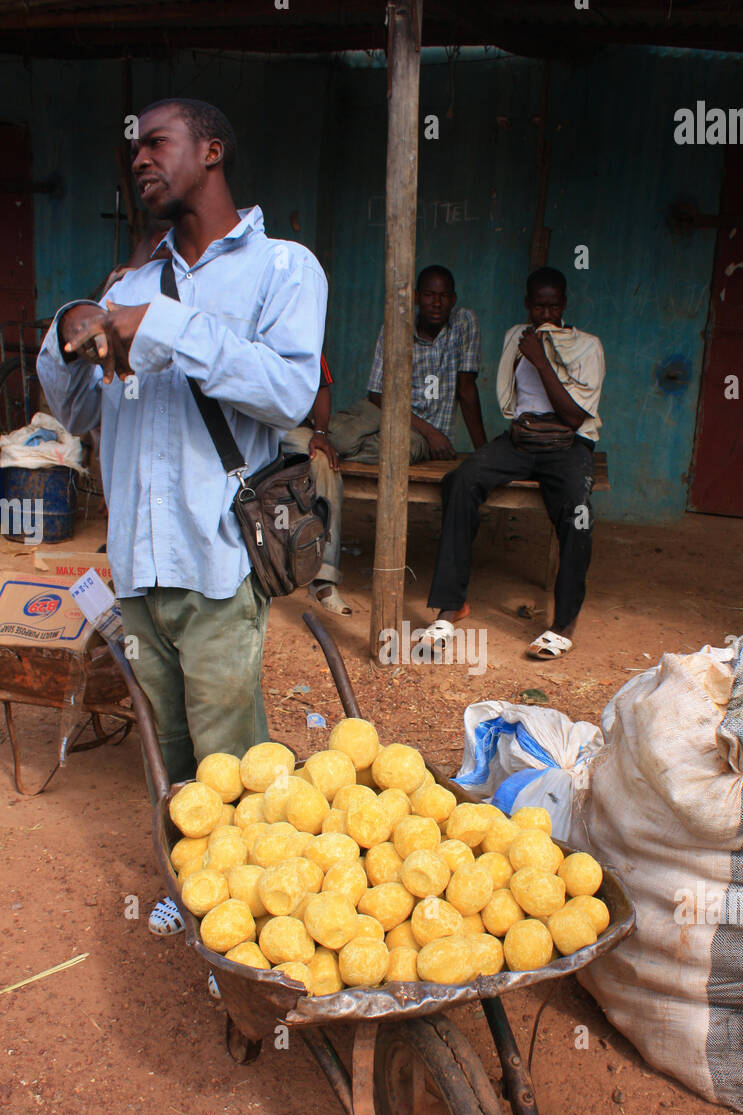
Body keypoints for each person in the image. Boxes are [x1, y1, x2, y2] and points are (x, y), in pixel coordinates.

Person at [37, 97, 327, 934]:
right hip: (137, 561)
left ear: (211, 150)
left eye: (156, 144)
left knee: (230, 752)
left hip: (217, 556)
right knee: (167, 748)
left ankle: (251, 909)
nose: (140, 160)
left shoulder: (284, 269)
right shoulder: (127, 282)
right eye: (134, 151)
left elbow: (288, 392)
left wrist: (163, 328)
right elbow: (82, 415)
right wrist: (70, 328)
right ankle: (191, 883)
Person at [424, 266, 604, 660]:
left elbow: (575, 418)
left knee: (578, 513)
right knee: (461, 480)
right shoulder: (515, 338)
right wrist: (530, 352)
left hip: (568, 444)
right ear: (527, 305)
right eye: (539, 305)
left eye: (553, 305)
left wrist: (541, 361)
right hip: (523, 439)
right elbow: (514, 404)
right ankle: (452, 604)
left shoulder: (588, 347)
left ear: (564, 305)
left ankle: (564, 622)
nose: (546, 314)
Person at [315, 265, 487, 601]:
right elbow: (378, 395)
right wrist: (428, 430)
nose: (436, 303)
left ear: (453, 299)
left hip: (422, 433)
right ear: (417, 298)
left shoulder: (464, 323)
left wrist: (483, 452)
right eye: (428, 295)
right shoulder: (396, 325)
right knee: (336, 437)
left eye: (443, 296)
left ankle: (358, 445)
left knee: (399, 450)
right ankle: (334, 442)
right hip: (387, 409)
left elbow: (467, 391)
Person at [281, 355, 351, 614]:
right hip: (240, 426)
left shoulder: (300, 333)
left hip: (287, 427)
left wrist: (320, 432)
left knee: (323, 462)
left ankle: (323, 577)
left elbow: (322, 386)